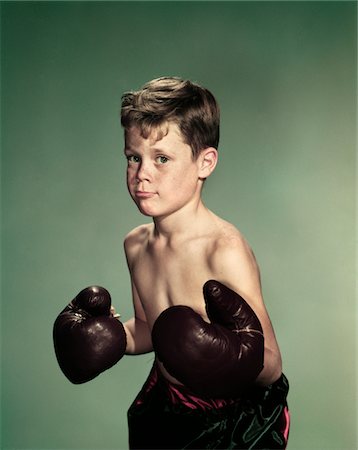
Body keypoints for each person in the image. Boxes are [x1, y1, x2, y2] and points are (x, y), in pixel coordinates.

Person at [53, 76, 289, 449]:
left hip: (233, 421)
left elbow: (270, 362)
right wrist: (113, 339)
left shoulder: (223, 249)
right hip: (167, 407)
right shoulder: (136, 244)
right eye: (134, 157)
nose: (142, 173)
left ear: (204, 163)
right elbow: (151, 328)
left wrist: (216, 356)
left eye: (161, 158)